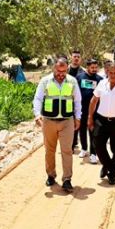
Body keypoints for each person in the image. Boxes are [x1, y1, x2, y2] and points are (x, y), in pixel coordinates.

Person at [33, 58, 82, 192]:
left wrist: (78, 117)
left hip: (67, 121)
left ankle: (67, 179)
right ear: (54, 68)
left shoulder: (72, 81)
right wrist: (37, 114)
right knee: (50, 150)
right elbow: (38, 98)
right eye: (58, 71)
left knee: (67, 150)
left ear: (67, 69)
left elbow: (77, 101)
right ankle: (51, 175)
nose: (61, 73)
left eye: (64, 71)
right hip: (49, 121)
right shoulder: (45, 81)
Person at [88, 63, 115, 185]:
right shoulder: (102, 84)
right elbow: (93, 101)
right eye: (110, 73)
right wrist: (90, 118)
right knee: (97, 145)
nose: (113, 75)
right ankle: (107, 165)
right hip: (101, 120)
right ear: (107, 72)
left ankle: (112, 173)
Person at [76, 59, 102, 163]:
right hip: (82, 109)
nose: (94, 69)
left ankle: (93, 154)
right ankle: (83, 148)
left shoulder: (100, 80)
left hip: (95, 110)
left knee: (93, 132)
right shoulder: (79, 77)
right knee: (82, 130)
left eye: (96, 67)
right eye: (92, 67)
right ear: (87, 67)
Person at [68, 50, 85, 150]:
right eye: (74, 56)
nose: (76, 58)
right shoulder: (65, 70)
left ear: (80, 59)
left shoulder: (83, 72)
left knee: (76, 121)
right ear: (71, 57)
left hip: (78, 100)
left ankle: (73, 143)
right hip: (66, 100)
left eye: (78, 57)